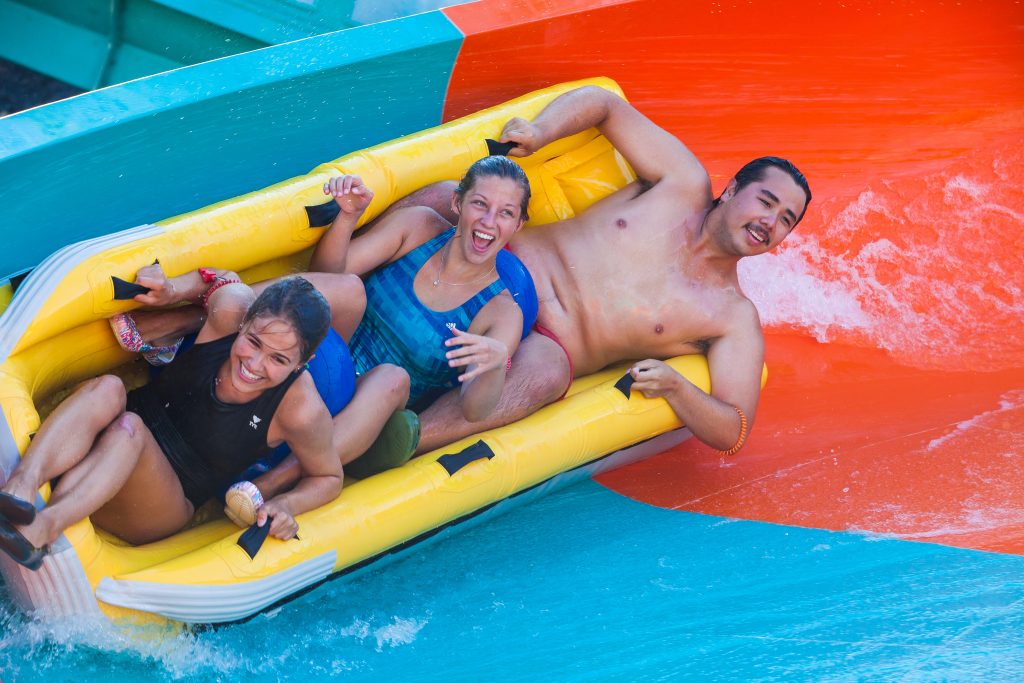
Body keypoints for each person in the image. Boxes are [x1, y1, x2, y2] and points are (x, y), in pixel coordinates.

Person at [402, 85, 811, 455]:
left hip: (544, 341)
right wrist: (541, 131)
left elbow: (734, 430)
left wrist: (676, 386)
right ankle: (339, 263)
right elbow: (605, 104)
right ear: (734, 188)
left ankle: (408, 439)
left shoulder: (731, 316)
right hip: (499, 254)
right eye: (767, 202)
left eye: (786, 219)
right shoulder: (682, 183)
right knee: (443, 197)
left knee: (546, 375)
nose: (770, 222)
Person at [0, 268, 402, 570]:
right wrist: (171, 286)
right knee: (109, 388)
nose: (254, 365)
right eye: (253, 342)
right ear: (244, 321)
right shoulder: (228, 312)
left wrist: (287, 503)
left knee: (130, 429)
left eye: (279, 360)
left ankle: (43, 530)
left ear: (305, 362)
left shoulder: (300, 409)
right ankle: (21, 485)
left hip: (160, 504)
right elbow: (218, 279)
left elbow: (328, 477)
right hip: (106, 440)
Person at [311, 155, 533, 421]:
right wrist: (348, 218)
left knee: (390, 380)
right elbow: (325, 278)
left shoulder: (501, 313)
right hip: (320, 356)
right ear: (457, 202)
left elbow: (474, 410)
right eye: (480, 204)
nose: (489, 220)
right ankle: (245, 301)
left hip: (366, 412)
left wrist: (496, 367)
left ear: (518, 224)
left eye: (506, 213)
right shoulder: (418, 228)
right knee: (349, 288)